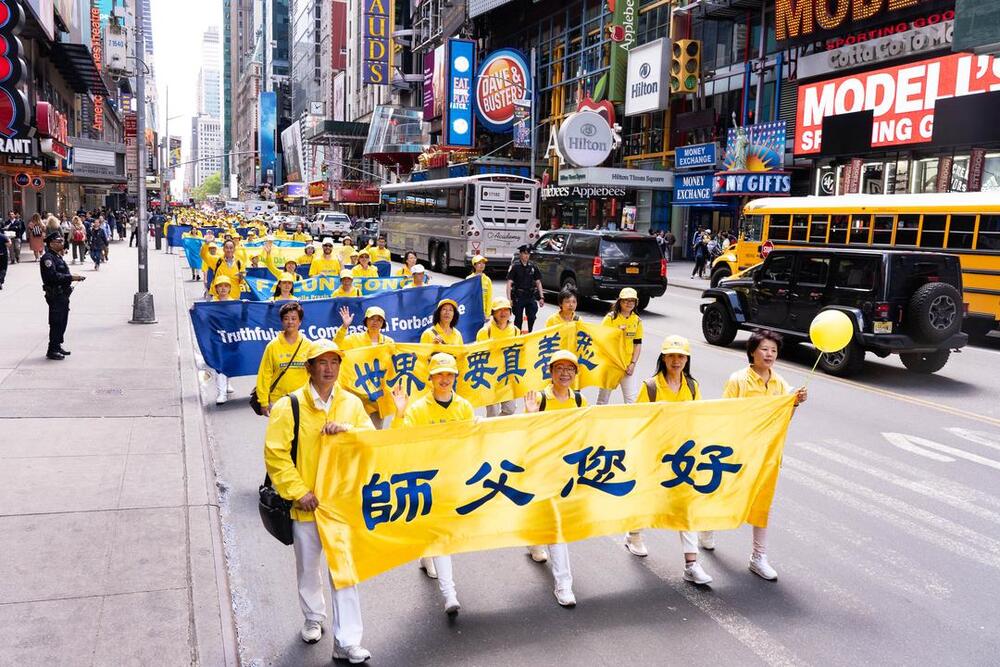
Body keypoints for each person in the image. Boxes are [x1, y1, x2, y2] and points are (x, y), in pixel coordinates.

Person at [263, 339, 374, 662]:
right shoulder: (290, 406)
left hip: (340, 505)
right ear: (309, 368)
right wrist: (299, 491)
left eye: (334, 363)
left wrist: (348, 430)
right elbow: (276, 454)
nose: (329, 369)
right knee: (309, 569)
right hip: (306, 506)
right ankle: (313, 618)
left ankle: (347, 641)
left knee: (344, 572)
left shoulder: (351, 404)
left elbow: (370, 440)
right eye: (322, 363)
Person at [705, 329, 808, 581]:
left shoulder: (780, 383)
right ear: (752, 351)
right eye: (764, 349)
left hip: (766, 454)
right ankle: (706, 527)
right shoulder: (738, 380)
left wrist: (793, 403)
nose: (769, 354)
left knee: (763, 504)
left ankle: (758, 556)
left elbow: (783, 420)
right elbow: (725, 414)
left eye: (773, 350)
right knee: (722, 492)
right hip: (738, 451)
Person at [390, 352, 474, 615]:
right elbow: (401, 441)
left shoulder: (464, 408)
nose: (445, 379)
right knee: (441, 535)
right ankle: (449, 594)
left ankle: (427, 556)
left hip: (455, 478)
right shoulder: (417, 410)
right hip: (428, 480)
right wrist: (400, 413)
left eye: (449, 374)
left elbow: (474, 442)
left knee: (442, 531)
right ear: (430, 378)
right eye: (440, 375)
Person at [626, 335, 713, 584]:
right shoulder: (651, 387)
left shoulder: (693, 387)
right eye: (672, 356)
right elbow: (639, 422)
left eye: (681, 356)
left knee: (685, 507)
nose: (677, 360)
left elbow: (698, 420)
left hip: (683, 457)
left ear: (687, 359)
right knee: (646, 499)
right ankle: (634, 534)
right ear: (663, 358)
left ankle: (691, 564)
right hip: (654, 455)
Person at [523, 350, 586, 606]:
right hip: (543, 471)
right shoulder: (539, 398)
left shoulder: (580, 400)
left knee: (549, 519)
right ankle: (563, 584)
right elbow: (525, 438)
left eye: (569, 369)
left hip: (567, 474)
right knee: (557, 525)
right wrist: (529, 416)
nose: (564, 373)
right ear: (550, 372)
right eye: (559, 368)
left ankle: (535, 540)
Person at [335, 305, 395, 428]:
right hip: (358, 393)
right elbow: (336, 346)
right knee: (357, 429)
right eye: (372, 318)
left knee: (375, 432)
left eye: (379, 319)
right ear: (366, 321)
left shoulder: (389, 342)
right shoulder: (354, 339)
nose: (375, 322)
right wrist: (344, 327)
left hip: (378, 396)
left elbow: (393, 365)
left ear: (383, 323)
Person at [255, 301, 310, 415]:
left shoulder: (309, 345)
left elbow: (315, 374)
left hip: (303, 401)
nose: (290, 322)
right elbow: (265, 375)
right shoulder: (272, 346)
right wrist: (264, 402)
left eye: (294, 318)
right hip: (278, 401)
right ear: (281, 321)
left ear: (300, 322)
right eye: (286, 318)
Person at [39, 232, 85, 360]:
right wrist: (71, 277)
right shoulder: (47, 258)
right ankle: (52, 349)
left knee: (62, 321)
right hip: (55, 294)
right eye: (59, 241)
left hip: (63, 294)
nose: (61, 243)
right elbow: (52, 276)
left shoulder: (57, 257)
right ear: (51, 243)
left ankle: (57, 345)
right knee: (56, 321)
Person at [596, 288, 643, 405]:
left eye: (632, 301)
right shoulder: (610, 318)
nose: (629, 303)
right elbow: (600, 338)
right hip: (611, 364)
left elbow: (637, 344)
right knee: (603, 399)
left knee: (631, 399)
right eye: (626, 300)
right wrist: (616, 332)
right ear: (620, 302)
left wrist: (633, 363)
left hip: (627, 365)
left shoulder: (637, 320)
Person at [476, 298, 517, 417]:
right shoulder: (485, 331)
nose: (503, 313)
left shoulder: (515, 331)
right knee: (492, 412)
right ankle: (491, 431)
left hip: (507, 377)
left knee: (510, 409)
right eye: (499, 310)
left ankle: (495, 426)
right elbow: (478, 354)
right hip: (491, 378)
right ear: (493, 313)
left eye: (506, 310)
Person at [211, 277, 239, 403]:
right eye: (220, 286)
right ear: (216, 288)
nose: (223, 288)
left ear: (229, 288)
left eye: (226, 286)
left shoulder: (234, 303)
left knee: (229, 361)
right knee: (220, 363)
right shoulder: (211, 304)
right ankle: (221, 393)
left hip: (231, 337)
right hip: (217, 338)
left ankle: (228, 383)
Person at [506, 244, 544, 332]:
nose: (526, 256)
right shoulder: (515, 266)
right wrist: (509, 299)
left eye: (528, 254)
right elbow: (509, 283)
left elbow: (538, 282)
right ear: (520, 254)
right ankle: (517, 336)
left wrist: (541, 297)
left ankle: (529, 333)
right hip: (519, 296)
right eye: (524, 253)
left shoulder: (533, 266)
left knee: (531, 316)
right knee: (518, 319)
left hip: (530, 296)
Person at [467, 255, 492, 320]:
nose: (482, 265)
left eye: (483, 263)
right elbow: (466, 297)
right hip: (471, 312)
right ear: (474, 265)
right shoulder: (469, 279)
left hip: (482, 313)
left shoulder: (487, 280)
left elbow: (489, 298)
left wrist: (488, 314)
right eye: (479, 263)